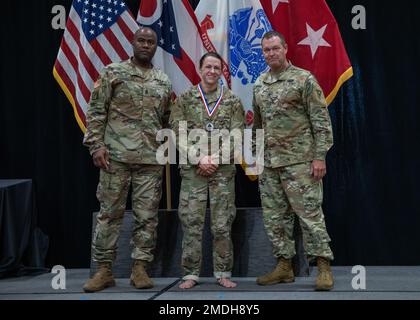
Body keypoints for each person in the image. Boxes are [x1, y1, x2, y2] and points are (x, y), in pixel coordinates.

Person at [82, 27, 172, 293]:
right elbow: (97, 110)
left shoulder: (163, 80)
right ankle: (104, 270)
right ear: (133, 43)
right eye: (141, 41)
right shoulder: (113, 72)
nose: (146, 45)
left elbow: (166, 120)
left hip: (150, 159)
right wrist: (95, 145)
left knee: (147, 216)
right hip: (115, 157)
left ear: (156, 46)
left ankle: (140, 268)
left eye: (151, 42)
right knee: (110, 215)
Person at [253, 31, 335, 291]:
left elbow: (320, 121)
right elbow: (258, 126)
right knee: (275, 218)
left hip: (300, 162)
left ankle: (323, 267)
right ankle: (284, 267)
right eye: (266, 50)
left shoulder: (304, 79)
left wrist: (319, 156)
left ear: (285, 48)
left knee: (310, 215)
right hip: (270, 164)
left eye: (275, 48)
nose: (271, 53)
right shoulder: (259, 84)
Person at [170, 52, 244, 289]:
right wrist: (199, 157)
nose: (212, 71)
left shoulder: (232, 101)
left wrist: (215, 159)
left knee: (222, 223)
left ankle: (223, 272)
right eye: (208, 67)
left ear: (222, 71)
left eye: (216, 68)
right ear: (200, 69)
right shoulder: (185, 99)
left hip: (222, 172)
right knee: (192, 222)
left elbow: (237, 135)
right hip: (194, 171)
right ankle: (191, 273)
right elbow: (177, 132)